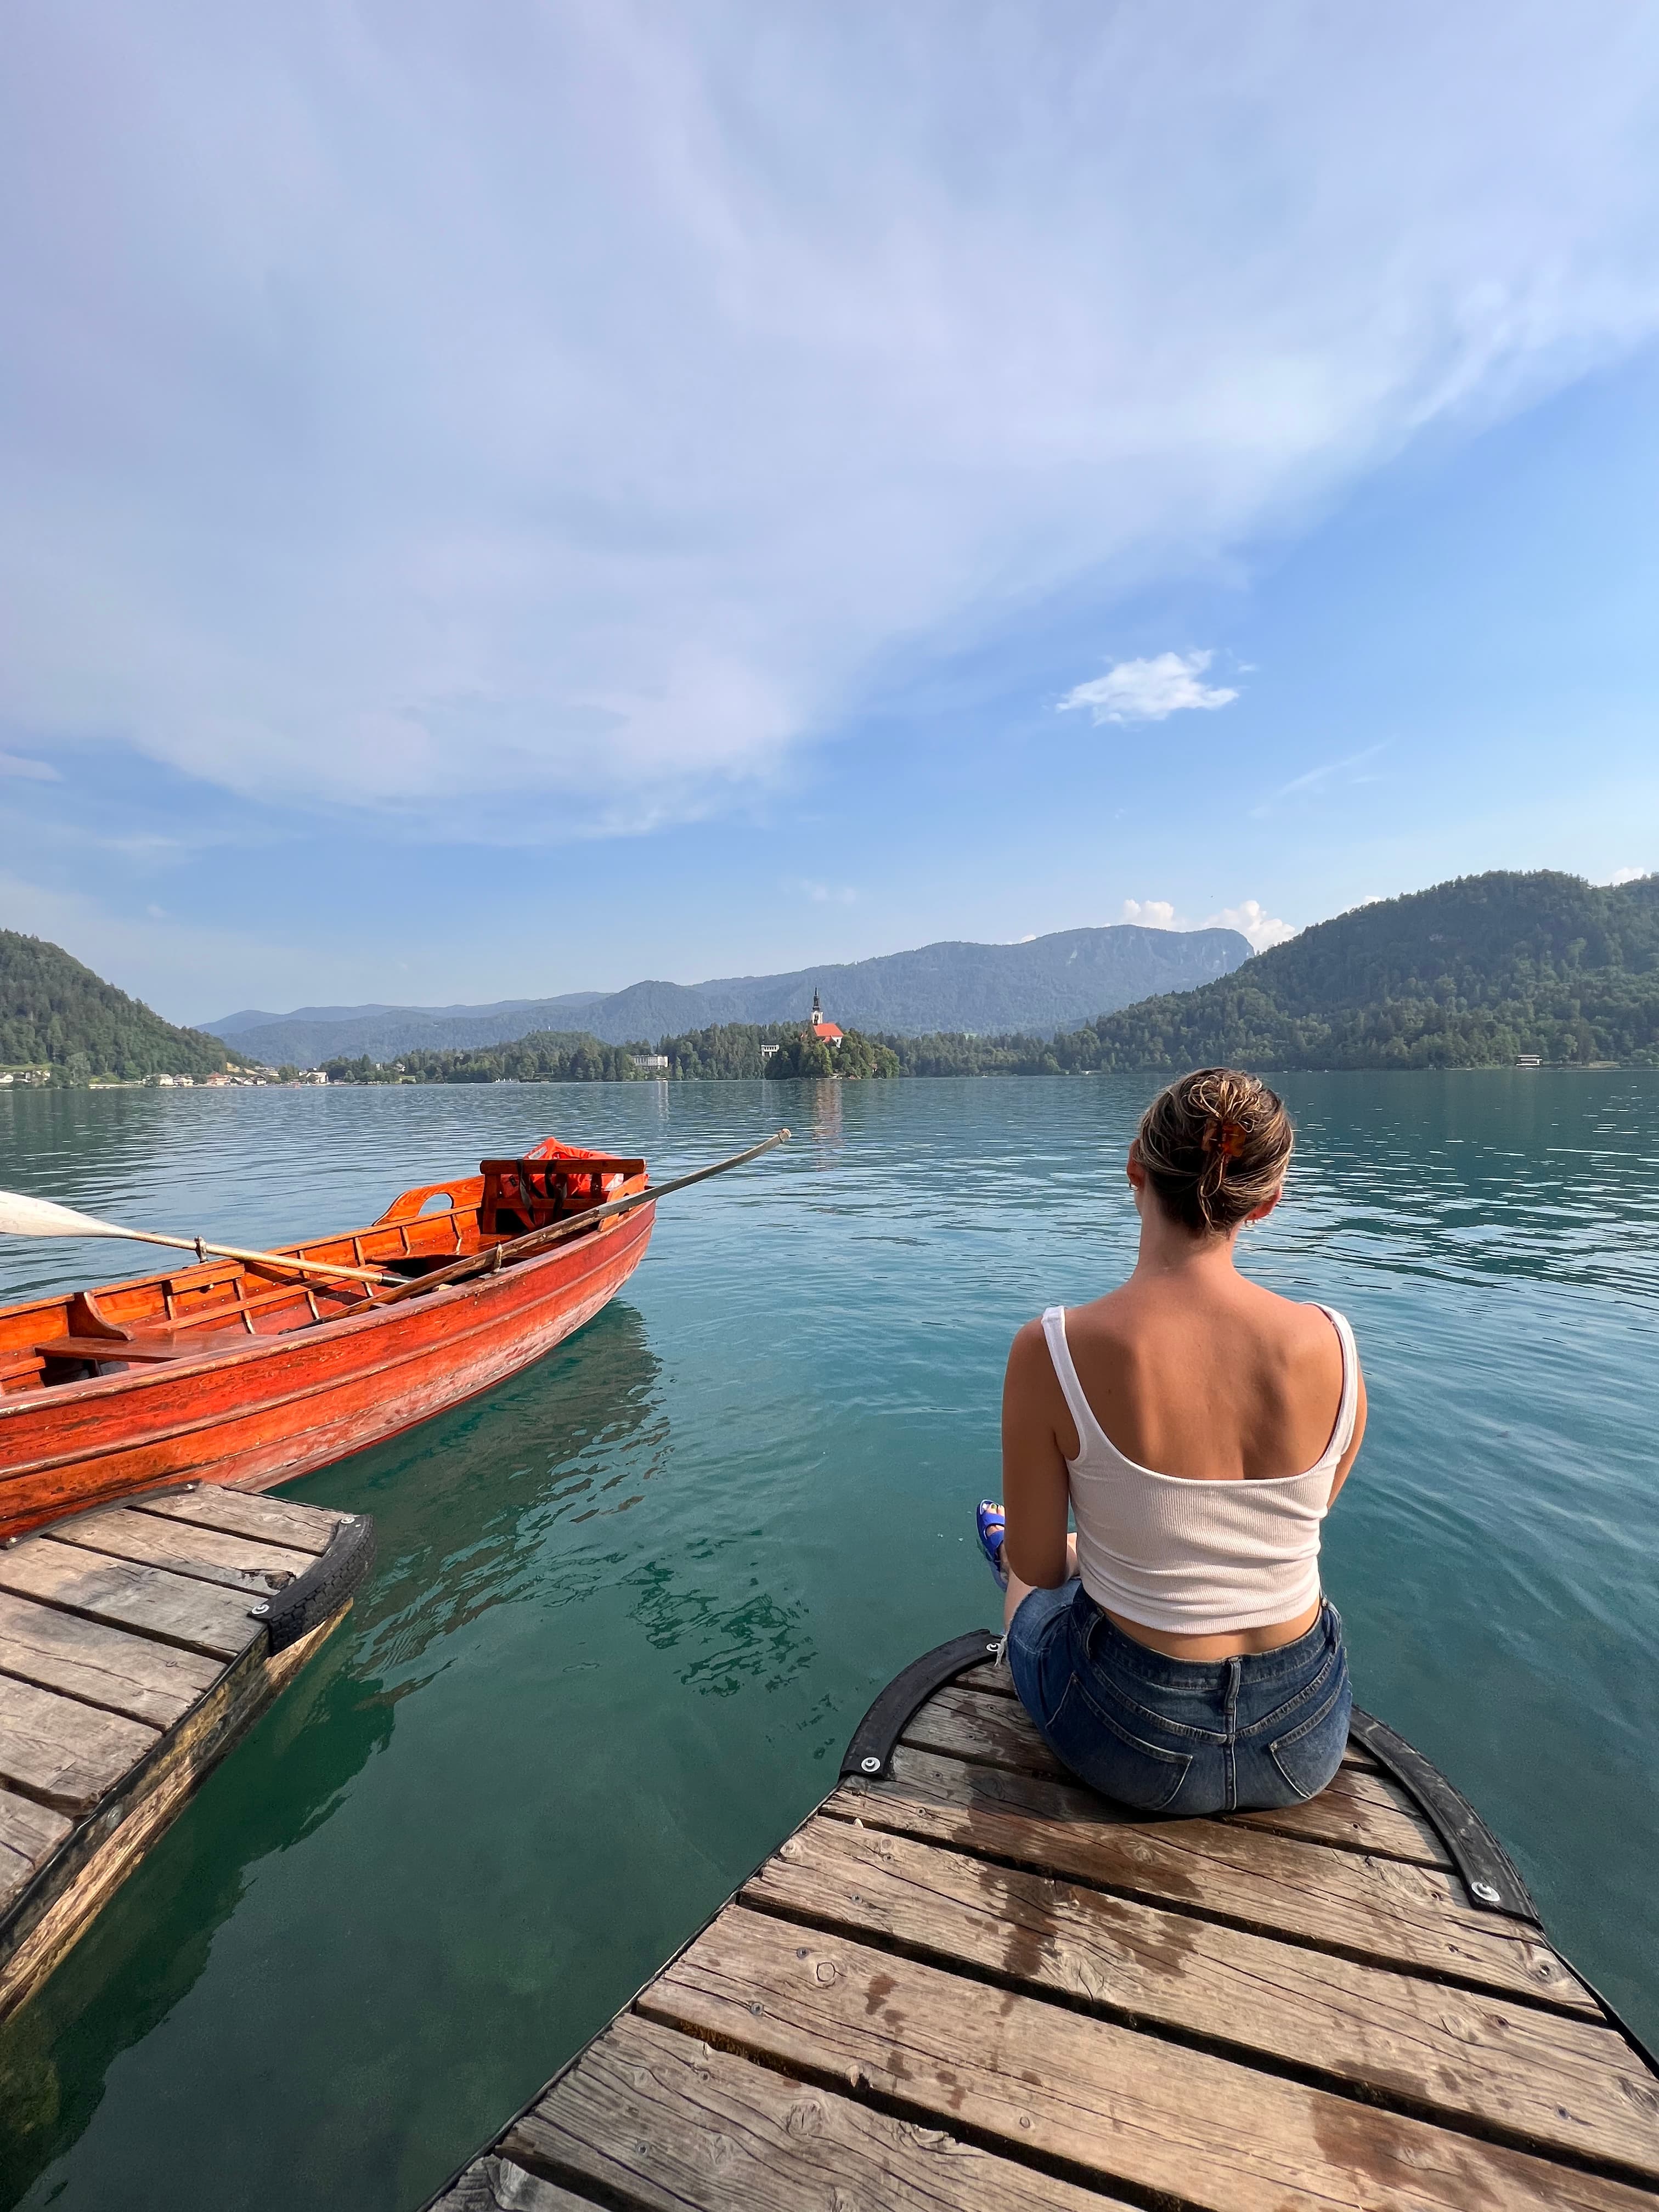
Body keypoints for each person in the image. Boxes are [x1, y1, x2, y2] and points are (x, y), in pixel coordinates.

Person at [977, 1066, 1365, 1815]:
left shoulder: (1053, 1347)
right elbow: (1292, 1524)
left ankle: (1067, 1548)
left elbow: (1037, 1568)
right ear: (1269, 1202)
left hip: (1131, 1741)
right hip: (1308, 1733)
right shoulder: (1336, 1346)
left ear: (1134, 1167)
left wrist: (1043, 1558)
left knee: (1029, 1578)